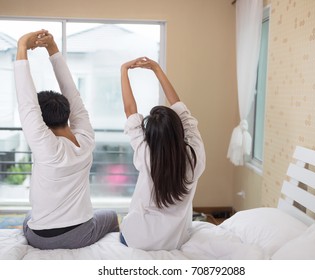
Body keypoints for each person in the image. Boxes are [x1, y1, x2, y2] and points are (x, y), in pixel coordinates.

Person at [14, 30, 119, 250]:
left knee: (28, 218)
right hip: (82, 233)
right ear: (67, 112)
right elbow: (73, 94)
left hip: (40, 238)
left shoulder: (46, 147)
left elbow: (27, 103)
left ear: (41, 122)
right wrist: (52, 48)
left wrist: (23, 46)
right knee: (110, 215)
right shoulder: (86, 139)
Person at [119, 57, 206, 250]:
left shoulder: (146, 154)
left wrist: (124, 70)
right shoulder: (195, 156)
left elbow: (130, 111)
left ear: (150, 135)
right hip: (174, 241)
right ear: (179, 129)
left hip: (136, 239)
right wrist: (157, 69)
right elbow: (182, 111)